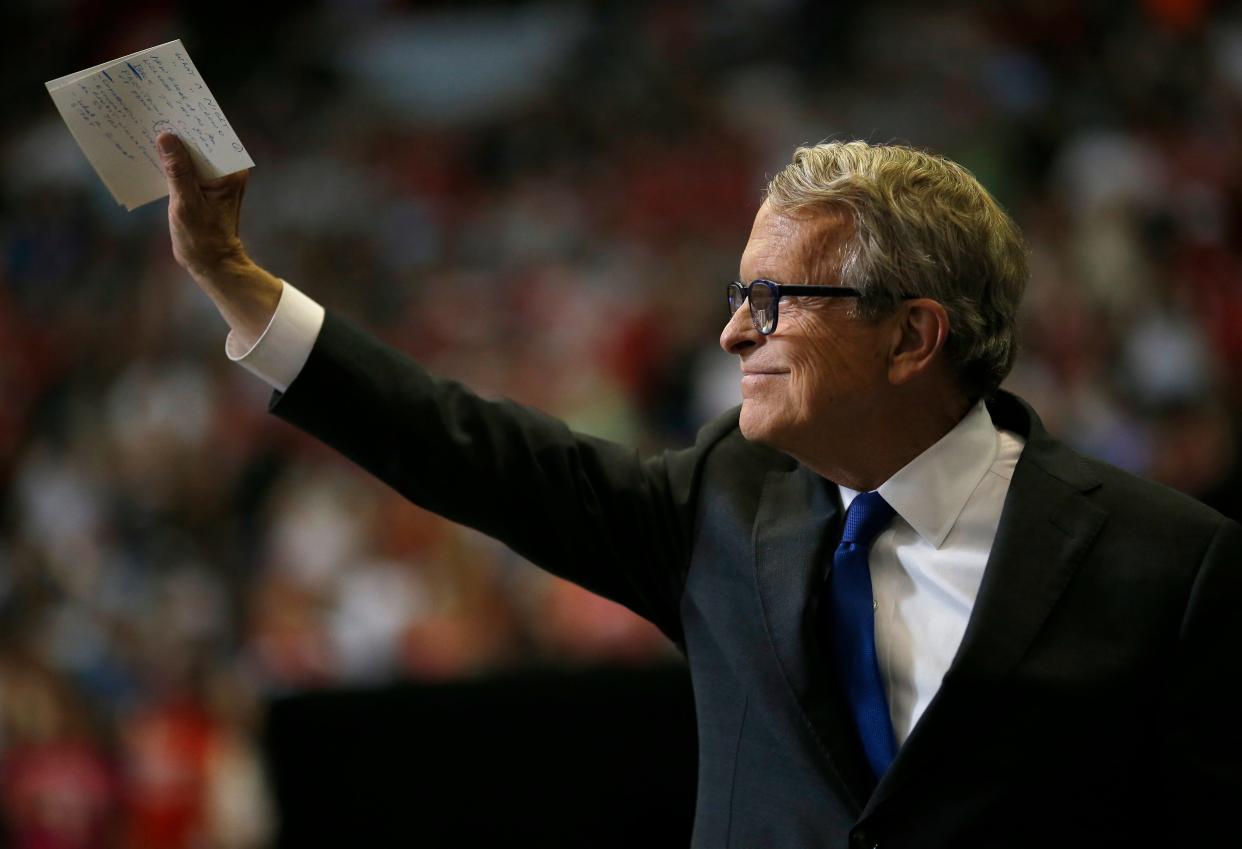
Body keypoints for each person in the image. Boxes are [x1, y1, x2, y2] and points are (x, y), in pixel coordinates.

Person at [155, 131, 1241, 848]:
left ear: (913, 335)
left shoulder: (1169, 566)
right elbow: (472, 451)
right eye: (737, 296)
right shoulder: (725, 497)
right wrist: (241, 287)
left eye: (775, 301)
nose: (730, 333)